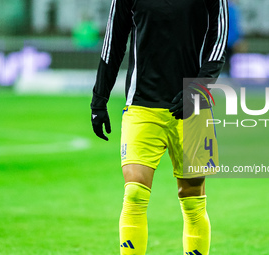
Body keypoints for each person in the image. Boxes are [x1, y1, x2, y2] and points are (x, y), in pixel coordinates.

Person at [90, 0, 228, 254]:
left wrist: (197, 88)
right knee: (134, 194)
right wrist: (99, 99)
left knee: (193, 197)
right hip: (142, 106)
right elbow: (114, 42)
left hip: (193, 107)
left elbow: (218, 44)